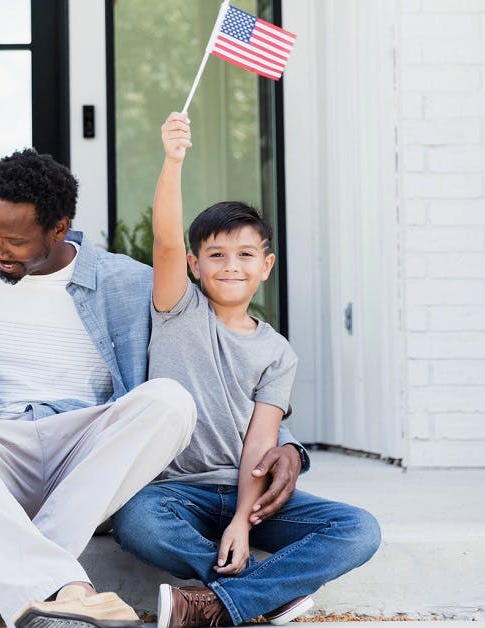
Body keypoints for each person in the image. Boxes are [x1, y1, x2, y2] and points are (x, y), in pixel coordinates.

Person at [0, 148, 196, 628]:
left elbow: (206, 357)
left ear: (59, 229)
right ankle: (68, 587)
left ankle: (0, 587)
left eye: (13, 241)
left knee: (172, 401)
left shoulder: (127, 284)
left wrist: (280, 442)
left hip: (84, 462)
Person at [110, 113, 382, 628]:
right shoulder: (178, 310)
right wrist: (173, 161)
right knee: (136, 522)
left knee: (359, 529)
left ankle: (213, 604)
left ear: (266, 265)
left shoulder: (277, 352)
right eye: (215, 254)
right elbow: (166, 239)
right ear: (195, 265)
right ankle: (258, 594)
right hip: (173, 491)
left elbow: (260, 444)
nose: (230, 265)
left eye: (244, 254)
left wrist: (240, 519)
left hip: (247, 496)